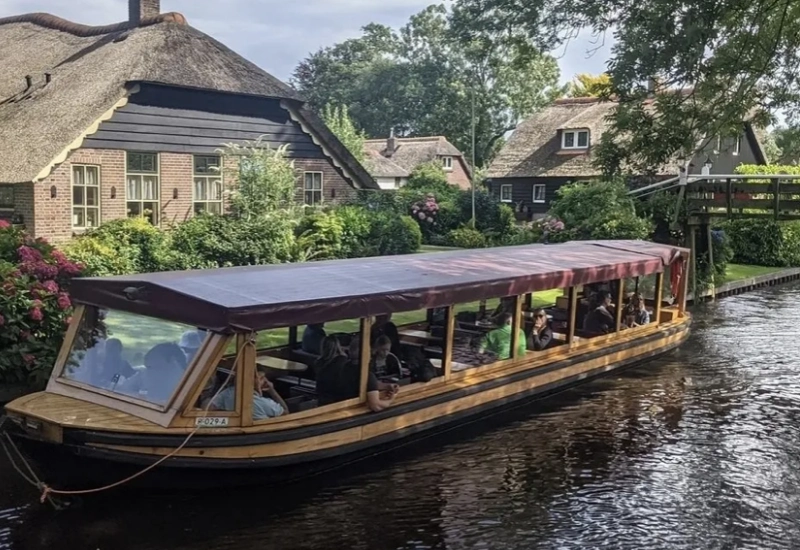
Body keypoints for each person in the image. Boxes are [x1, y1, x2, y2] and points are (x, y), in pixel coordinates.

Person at [317, 335, 399, 411]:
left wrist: (386, 386)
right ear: (366, 353)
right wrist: (391, 400)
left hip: (337, 408)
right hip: (354, 412)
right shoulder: (367, 375)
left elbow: (367, 384)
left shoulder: (344, 367)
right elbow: (376, 406)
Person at [118, 342, 187, 404]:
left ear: (172, 361)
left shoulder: (186, 382)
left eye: (153, 368)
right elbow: (123, 389)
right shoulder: (144, 374)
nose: (149, 371)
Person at [210, 365, 287, 419]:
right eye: (261, 378)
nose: (265, 381)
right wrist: (272, 391)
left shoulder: (227, 393)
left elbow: (211, 408)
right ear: (251, 381)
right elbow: (285, 413)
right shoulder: (263, 403)